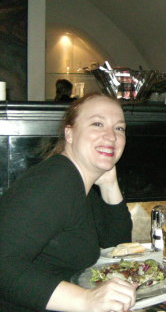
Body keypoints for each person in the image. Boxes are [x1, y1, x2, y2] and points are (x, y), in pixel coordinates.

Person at [0, 93, 135, 312]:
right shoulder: (55, 181)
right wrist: (85, 300)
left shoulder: (81, 184)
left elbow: (117, 248)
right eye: (97, 123)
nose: (111, 136)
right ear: (70, 133)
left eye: (119, 128)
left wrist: (110, 185)